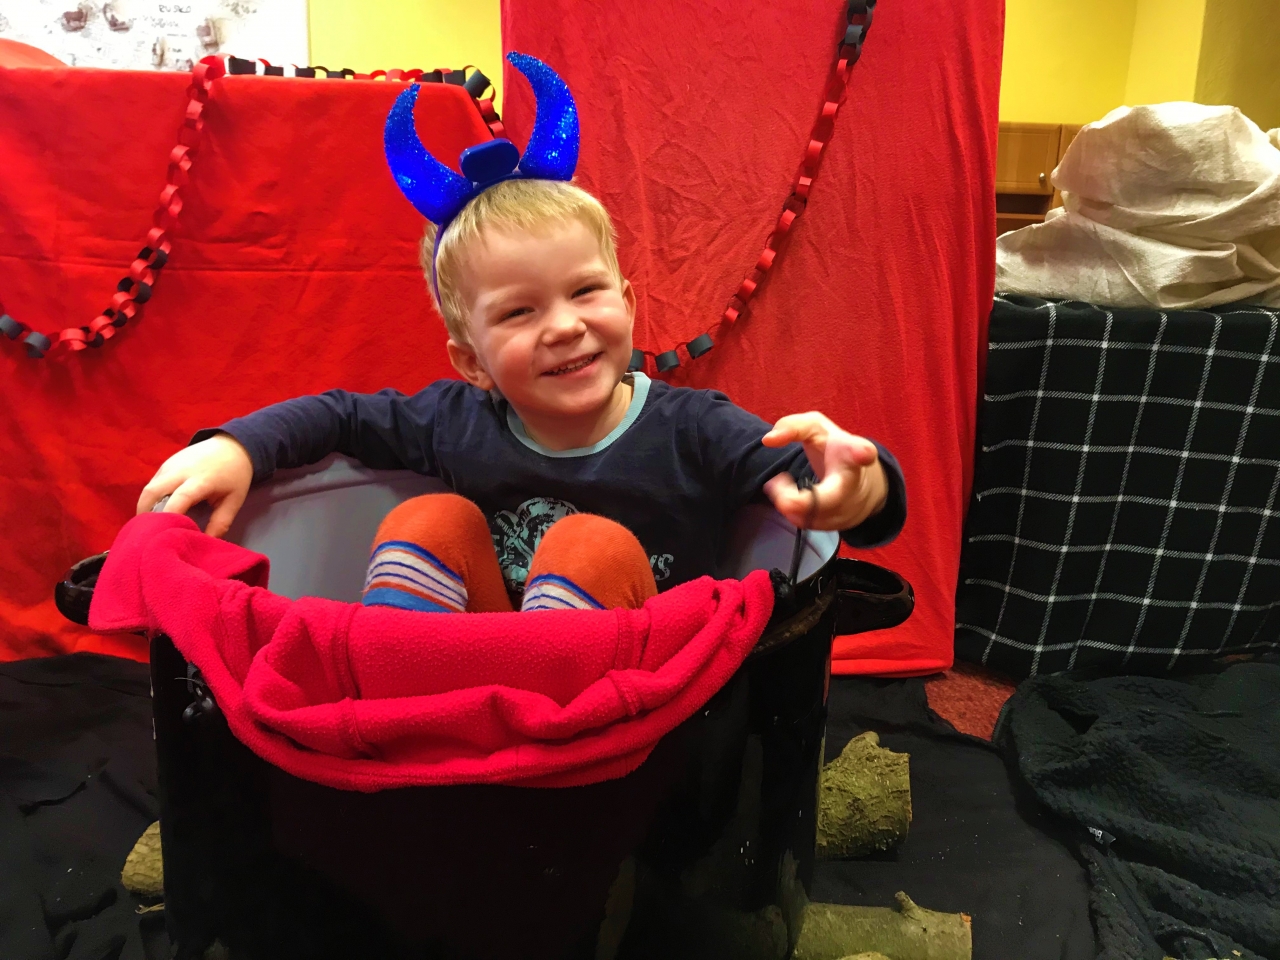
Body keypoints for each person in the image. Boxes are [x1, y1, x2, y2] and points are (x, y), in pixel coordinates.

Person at [136, 54, 906, 616]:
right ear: (470, 361)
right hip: (475, 697)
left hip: (640, 713)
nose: (564, 326)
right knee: (427, 521)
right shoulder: (455, 422)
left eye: (585, 292)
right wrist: (236, 447)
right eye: (519, 312)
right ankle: (406, 709)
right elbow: (339, 416)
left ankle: (539, 754)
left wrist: (857, 489)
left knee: (588, 548)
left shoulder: (692, 430)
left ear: (627, 304)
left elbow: (823, 487)